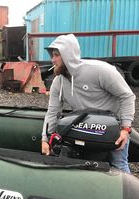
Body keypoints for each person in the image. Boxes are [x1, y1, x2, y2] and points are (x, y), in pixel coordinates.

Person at [41, 34, 136, 173]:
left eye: (56, 55)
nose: (52, 60)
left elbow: (127, 96)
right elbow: (53, 112)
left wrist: (125, 129)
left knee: (119, 165)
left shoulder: (100, 70)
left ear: (68, 55)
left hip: (113, 129)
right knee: (89, 168)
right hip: (86, 130)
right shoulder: (58, 82)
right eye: (52, 55)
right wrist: (46, 138)